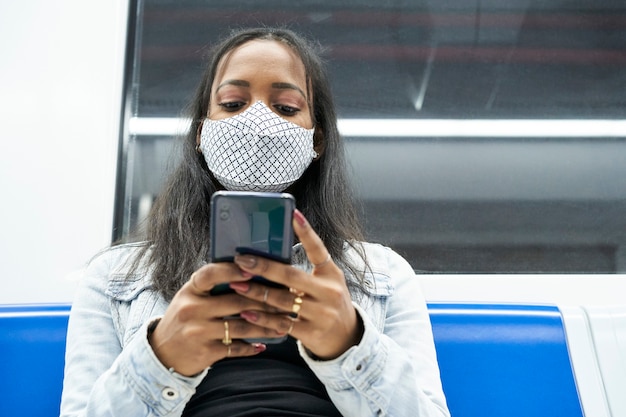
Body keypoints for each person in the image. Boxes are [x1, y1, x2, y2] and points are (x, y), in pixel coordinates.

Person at [60, 27, 450, 417]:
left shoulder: (382, 275)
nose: (257, 122)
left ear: (317, 141)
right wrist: (159, 359)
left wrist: (350, 343)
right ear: (201, 133)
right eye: (232, 103)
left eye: (285, 107)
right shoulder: (115, 278)